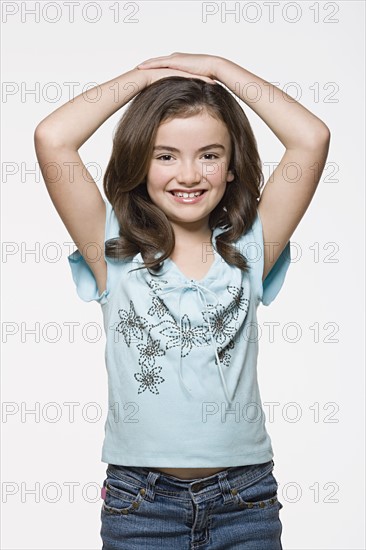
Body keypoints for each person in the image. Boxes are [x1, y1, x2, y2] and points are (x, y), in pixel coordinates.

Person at [34, 52, 330, 549]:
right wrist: (143, 79)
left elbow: (311, 138)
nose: (189, 174)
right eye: (165, 155)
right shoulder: (110, 247)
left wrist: (217, 70)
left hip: (245, 500)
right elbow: (52, 137)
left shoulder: (251, 248)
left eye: (209, 155)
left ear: (232, 167)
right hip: (141, 505)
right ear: (138, 163)